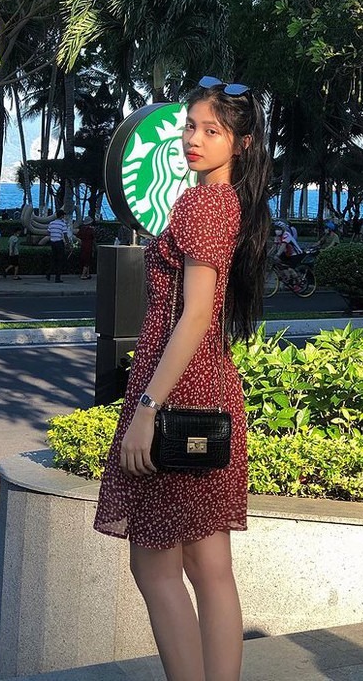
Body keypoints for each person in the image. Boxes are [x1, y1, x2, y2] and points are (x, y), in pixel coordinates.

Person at [94, 76, 271, 681]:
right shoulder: (230, 204)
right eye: (191, 126)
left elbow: (195, 314)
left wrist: (146, 408)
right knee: (209, 566)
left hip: (176, 390)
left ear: (240, 143)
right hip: (210, 385)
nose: (194, 139)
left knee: (155, 565)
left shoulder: (201, 205)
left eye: (211, 131)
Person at [46, 208, 68, 282]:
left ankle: (49, 272)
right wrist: (68, 244)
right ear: (61, 216)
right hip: (59, 242)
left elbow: (48, 232)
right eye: (63, 215)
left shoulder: (51, 223)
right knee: (60, 260)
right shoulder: (63, 224)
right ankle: (57, 278)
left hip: (53, 242)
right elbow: (65, 235)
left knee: (54, 259)